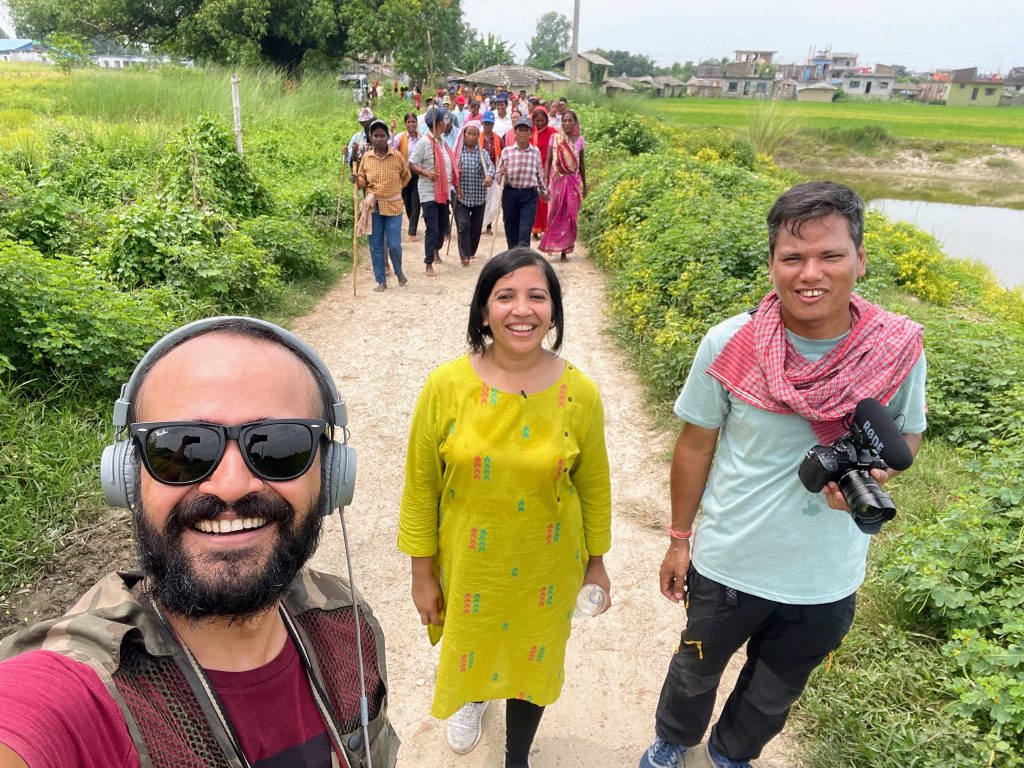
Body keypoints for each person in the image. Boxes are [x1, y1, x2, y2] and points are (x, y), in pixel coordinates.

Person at [0, 316, 398, 768]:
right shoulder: (75, 691)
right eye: (182, 450)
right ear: (129, 479)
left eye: (278, 446)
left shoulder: (346, 621)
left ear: (329, 477)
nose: (230, 485)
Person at [639, 181, 927, 768]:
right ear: (772, 264)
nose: (809, 273)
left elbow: (907, 436)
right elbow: (694, 447)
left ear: (860, 259)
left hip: (825, 577)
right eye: (793, 258)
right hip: (728, 565)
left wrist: (875, 476)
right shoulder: (731, 343)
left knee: (774, 691)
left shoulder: (898, 350)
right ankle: (674, 740)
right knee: (695, 667)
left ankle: (729, 755)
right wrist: (678, 539)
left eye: (830, 255)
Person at [399, 248, 612, 768]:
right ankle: (472, 700)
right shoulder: (446, 387)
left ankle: (518, 755)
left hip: (548, 565)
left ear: (554, 310)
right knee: (473, 641)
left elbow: (594, 485)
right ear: (483, 311)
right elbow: (421, 485)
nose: (523, 310)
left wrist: (597, 562)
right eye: (506, 296)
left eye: (537, 296)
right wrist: (422, 573)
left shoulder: (578, 393)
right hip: (471, 564)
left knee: (533, 659)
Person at [358, 118, 412, 291]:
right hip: (374, 207)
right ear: (370, 137)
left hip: (394, 206)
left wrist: (393, 191)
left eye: (382, 135)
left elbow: (406, 176)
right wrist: (356, 180)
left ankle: (398, 271)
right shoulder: (366, 158)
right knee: (375, 244)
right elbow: (362, 181)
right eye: (376, 136)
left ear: (387, 136)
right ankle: (381, 280)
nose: (379, 139)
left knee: (394, 244)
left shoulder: (396, 156)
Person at [409, 107, 457, 277]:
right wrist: (426, 173)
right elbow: (412, 163)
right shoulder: (424, 142)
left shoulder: (442, 142)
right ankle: (428, 262)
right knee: (432, 228)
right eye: (445, 120)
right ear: (437, 124)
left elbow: (448, 165)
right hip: (429, 193)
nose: (448, 123)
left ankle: (436, 249)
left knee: (443, 227)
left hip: (443, 192)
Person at [539, 109, 587, 261]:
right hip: (556, 180)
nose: (567, 123)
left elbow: (582, 165)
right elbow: (548, 162)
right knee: (554, 212)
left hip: (573, 181)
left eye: (570, 120)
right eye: (564, 120)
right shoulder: (555, 138)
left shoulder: (580, 140)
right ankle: (554, 243)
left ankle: (565, 248)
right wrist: (545, 180)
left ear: (575, 123)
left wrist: (585, 185)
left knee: (571, 215)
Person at [496, 117, 549, 249]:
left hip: (529, 195)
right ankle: (512, 255)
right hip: (510, 194)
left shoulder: (535, 152)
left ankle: (523, 258)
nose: (523, 133)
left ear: (530, 133)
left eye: (526, 130)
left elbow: (539, 174)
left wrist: (544, 191)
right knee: (510, 228)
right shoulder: (507, 152)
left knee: (525, 230)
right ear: (515, 132)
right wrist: (501, 173)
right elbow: (498, 178)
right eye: (520, 130)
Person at [453, 123, 495, 265]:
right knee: (463, 226)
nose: (471, 137)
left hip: (478, 196)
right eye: (468, 133)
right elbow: (451, 171)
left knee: (476, 228)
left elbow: (491, 167)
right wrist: (456, 175)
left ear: (478, 136)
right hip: (462, 195)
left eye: (474, 134)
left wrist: (489, 176)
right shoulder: (457, 153)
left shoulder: (482, 153)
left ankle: (471, 252)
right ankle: (464, 256)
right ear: (463, 135)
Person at [393, 112, 424, 242]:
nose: (411, 124)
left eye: (413, 122)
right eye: (408, 122)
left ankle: (412, 231)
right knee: (407, 203)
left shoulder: (421, 138)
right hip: (405, 175)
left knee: (416, 202)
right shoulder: (400, 137)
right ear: (405, 124)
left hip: (417, 173)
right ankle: (412, 221)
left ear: (417, 123)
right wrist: (391, 130)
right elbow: (391, 146)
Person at [529, 106, 556, 240]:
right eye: (537, 121)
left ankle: (547, 228)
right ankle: (535, 229)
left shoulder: (553, 132)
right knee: (535, 201)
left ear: (547, 119)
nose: (540, 124)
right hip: (533, 170)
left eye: (542, 120)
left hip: (549, 170)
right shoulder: (529, 132)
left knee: (547, 201)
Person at [346, 106, 375, 177]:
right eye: (364, 122)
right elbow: (350, 159)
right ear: (361, 123)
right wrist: (348, 154)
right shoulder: (356, 138)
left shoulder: (380, 134)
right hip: (362, 173)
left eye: (369, 121)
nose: (367, 124)